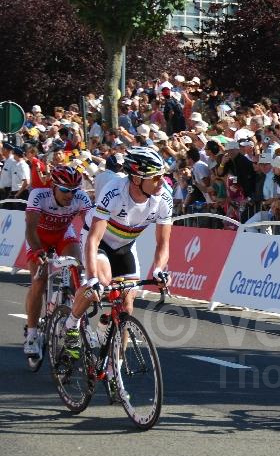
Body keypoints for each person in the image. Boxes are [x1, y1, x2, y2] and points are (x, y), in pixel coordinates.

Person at [64, 148, 173, 360]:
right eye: (155, 177)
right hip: (99, 241)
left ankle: (115, 367)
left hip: (125, 244)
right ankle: (72, 324)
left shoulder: (164, 198)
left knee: (127, 304)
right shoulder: (114, 191)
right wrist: (92, 278)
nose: (162, 182)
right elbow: (94, 239)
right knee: (101, 282)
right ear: (136, 179)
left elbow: (163, 243)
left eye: (163, 175)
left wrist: (159, 269)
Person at [22, 166, 92, 360]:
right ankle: (32, 334)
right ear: (53, 186)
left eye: (74, 190)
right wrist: (38, 251)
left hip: (63, 234)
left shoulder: (81, 198)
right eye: (64, 190)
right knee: (39, 280)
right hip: (39, 237)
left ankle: (75, 323)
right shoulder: (39, 195)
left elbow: (93, 226)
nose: (70, 195)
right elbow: (30, 228)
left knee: (78, 271)